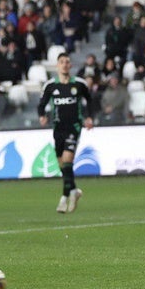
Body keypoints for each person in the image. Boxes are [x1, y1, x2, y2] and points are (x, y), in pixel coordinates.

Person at [38, 52, 93, 214]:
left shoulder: (79, 84)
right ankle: (74, 191)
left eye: (67, 62)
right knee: (63, 165)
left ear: (70, 65)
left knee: (68, 161)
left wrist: (89, 117)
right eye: (61, 62)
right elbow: (41, 104)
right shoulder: (50, 85)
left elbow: (90, 100)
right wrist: (42, 116)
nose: (64, 64)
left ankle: (64, 198)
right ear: (57, 65)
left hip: (74, 127)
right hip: (58, 128)